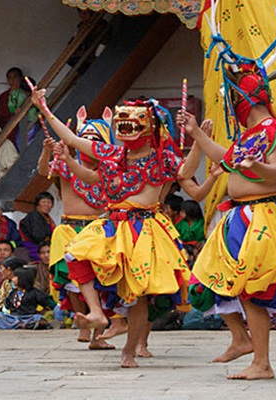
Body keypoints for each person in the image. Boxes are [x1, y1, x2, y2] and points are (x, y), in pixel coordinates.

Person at [31, 87, 204, 368]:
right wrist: (44, 107)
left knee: (139, 297)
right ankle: (97, 313)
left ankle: (129, 351)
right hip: (112, 224)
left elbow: (187, 176)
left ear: (149, 125)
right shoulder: (113, 154)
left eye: (132, 119)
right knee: (75, 254)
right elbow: (72, 137)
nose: (125, 124)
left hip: (144, 229)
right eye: (121, 119)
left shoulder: (163, 158)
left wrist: (196, 137)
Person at [177, 14, 276, 379]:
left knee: (252, 291)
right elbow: (227, 158)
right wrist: (195, 135)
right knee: (215, 280)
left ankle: (262, 363)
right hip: (240, 216)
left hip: (263, 217)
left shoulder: (273, 130)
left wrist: (256, 165)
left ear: (245, 99)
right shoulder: (246, 135)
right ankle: (243, 342)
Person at [40, 106, 119, 349]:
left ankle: (98, 334)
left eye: (95, 141)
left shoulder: (110, 170)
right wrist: (46, 153)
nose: (89, 145)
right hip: (69, 229)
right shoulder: (65, 164)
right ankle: (85, 325)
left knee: (102, 282)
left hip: (99, 231)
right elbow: (44, 171)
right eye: (85, 139)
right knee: (71, 280)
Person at [19, 191, 56, 261]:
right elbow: (38, 237)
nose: (46, 205)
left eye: (49, 202)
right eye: (43, 202)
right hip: (34, 247)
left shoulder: (46, 217)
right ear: (37, 204)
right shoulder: (34, 217)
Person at [175, 200, 206, 269]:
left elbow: (202, 238)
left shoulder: (201, 223)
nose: (180, 213)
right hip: (183, 246)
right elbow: (176, 235)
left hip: (198, 247)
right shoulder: (181, 223)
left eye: (182, 212)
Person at [0, 67, 24, 134]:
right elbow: (0, 114)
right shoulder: (4, 96)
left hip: (23, 126)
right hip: (7, 128)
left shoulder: (26, 94)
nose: (12, 80)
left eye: (15, 77)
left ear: (21, 78)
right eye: (9, 78)